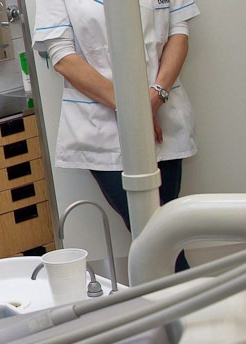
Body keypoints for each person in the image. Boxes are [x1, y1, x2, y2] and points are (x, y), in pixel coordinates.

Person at [33, 0, 200, 272]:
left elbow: (178, 32)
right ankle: (192, 295)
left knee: (167, 230)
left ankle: (176, 296)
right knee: (154, 232)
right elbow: (62, 57)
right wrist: (135, 110)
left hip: (163, 118)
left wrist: (154, 98)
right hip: (102, 128)